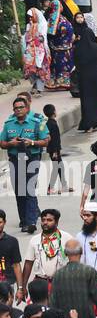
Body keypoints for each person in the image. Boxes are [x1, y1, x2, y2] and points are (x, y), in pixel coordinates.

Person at [2, 94, 48, 232]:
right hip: (15, 160)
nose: (18, 110)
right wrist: (11, 143)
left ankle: (31, 221)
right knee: (19, 191)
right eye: (16, 108)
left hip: (31, 158)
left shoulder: (36, 121)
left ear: (26, 108)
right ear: (13, 110)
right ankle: (24, 220)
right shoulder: (8, 124)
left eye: (21, 107)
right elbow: (2, 143)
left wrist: (31, 142)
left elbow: (45, 140)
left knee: (29, 189)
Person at [71, 14, 97, 133]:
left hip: (84, 78)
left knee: (87, 100)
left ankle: (88, 124)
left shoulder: (77, 50)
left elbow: (76, 64)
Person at [21, 8, 50, 94]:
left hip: (40, 50)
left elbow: (42, 38)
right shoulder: (29, 25)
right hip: (30, 50)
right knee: (31, 69)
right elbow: (26, 37)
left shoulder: (42, 24)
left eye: (31, 17)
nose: (30, 19)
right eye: (29, 17)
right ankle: (35, 85)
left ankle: (40, 88)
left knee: (40, 68)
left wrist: (35, 37)